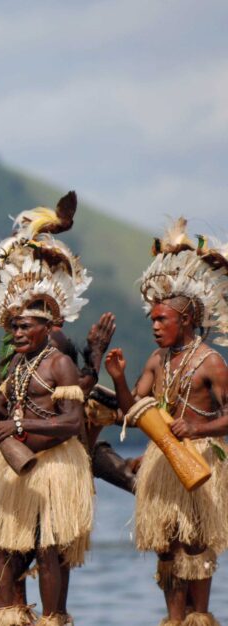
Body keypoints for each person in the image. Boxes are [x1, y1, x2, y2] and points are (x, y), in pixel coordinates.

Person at [0, 202, 94, 626]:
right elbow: (6, 408)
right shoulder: (17, 364)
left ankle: (53, 619)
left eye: (25, 327)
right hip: (19, 468)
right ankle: (9, 617)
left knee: (50, 551)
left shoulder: (59, 364)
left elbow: (72, 422)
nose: (17, 334)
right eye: (13, 327)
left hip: (55, 466)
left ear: (47, 327)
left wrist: (19, 425)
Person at [104, 218, 228, 626]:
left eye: (162, 320)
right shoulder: (158, 360)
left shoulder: (211, 362)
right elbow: (132, 411)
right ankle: (174, 620)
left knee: (195, 542)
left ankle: (200, 618)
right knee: (166, 544)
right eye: (153, 320)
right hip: (162, 459)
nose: (155, 326)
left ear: (186, 320)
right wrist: (118, 378)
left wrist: (197, 429)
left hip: (201, 459)